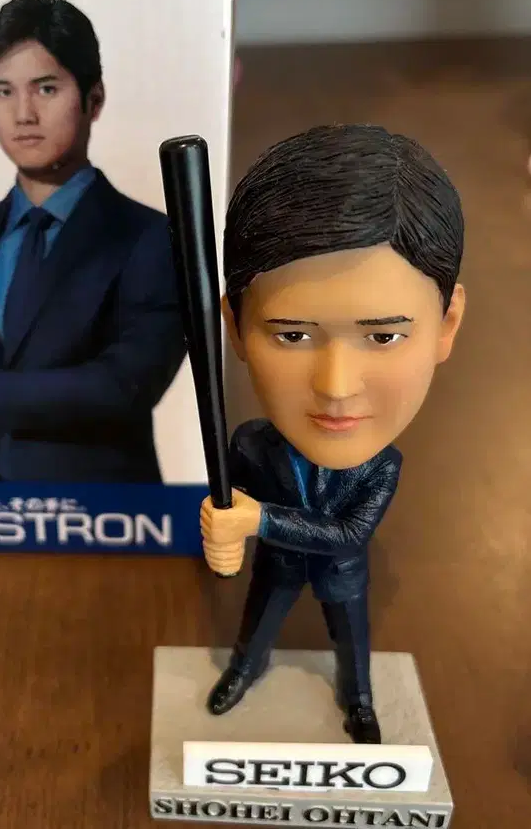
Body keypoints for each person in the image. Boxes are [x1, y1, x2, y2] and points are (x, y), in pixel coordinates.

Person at [199, 124, 466, 743]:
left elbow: (348, 532)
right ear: (235, 328)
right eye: (293, 335)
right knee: (255, 628)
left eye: (383, 336)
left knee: (352, 641)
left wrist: (255, 520)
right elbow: (227, 500)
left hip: (341, 573)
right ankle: (243, 670)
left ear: (446, 324)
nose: (336, 386)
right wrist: (218, 526)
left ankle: (359, 700)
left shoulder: (381, 466)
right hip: (275, 568)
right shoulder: (249, 444)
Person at [0, 0, 186, 483]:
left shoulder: (151, 238)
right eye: (3, 92)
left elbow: (125, 385)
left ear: (93, 99)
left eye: (46, 89)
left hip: (106, 510)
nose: (23, 114)